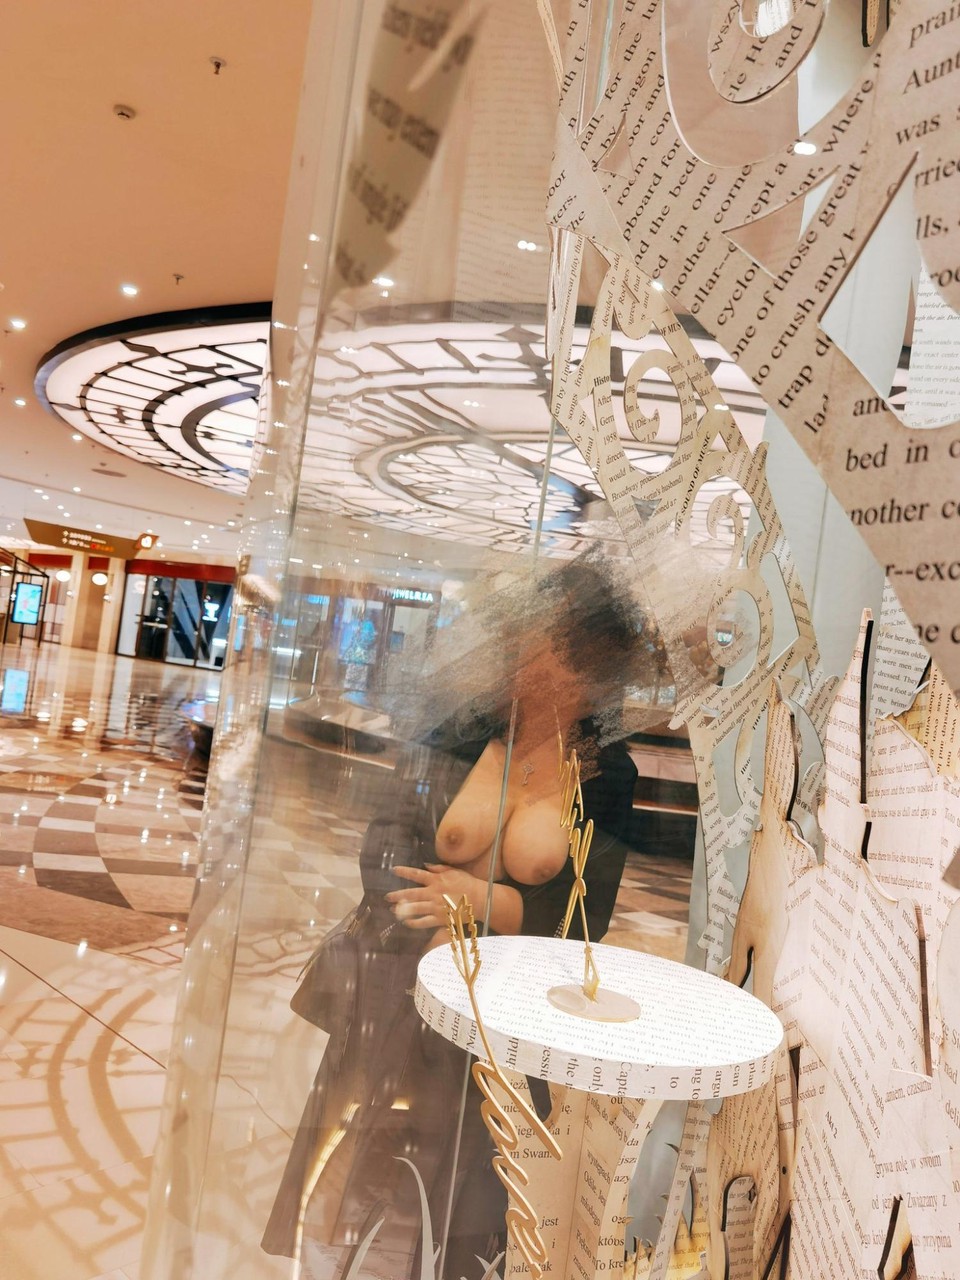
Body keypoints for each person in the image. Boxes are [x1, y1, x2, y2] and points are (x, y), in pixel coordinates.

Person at [261, 552, 667, 1279]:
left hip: (502, 1010)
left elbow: (588, 917)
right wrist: (436, 904)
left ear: (594, 666)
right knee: (358, 1164)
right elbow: (385, 844)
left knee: (471, 1188)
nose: (529, 661)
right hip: (400, 979)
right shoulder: (461, 732)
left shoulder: (606, 772)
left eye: (555, 649)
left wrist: (479, 901)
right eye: (529, 641)